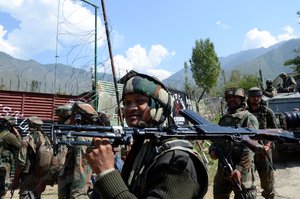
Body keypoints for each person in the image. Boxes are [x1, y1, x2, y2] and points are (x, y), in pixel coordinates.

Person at [86, 71, 208, 199]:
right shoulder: (145, 145)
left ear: (159, 106)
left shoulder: (177, 160)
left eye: (139, 101)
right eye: (127, 102)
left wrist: (106, 173)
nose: (131, 107)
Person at [209, 87, 259, 199]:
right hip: (223, 168)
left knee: (245, 196)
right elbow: (217, 139)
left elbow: (250, 147)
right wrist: (212, 149)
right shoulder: (223, 119)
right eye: (229, 98)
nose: (231, 100)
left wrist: (240, 168)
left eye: (235, 97)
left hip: (241, 170)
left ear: (241, 99)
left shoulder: (248, 118)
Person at [57, 101, 99, 199]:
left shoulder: (82, 138)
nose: (70, 118)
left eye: (72, 115)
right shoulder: (89, 134)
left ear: (77, 118)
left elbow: (81, 171)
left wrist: (77, 195)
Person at [12, 116, 53, 199]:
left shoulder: (27, 139)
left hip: (29, 175)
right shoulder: (47, 139)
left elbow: (21, 163)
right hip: (41, 175)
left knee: (26, 195)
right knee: (36, 195)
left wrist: (15, 179)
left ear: (29, 125)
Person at [247, 87, 277, 199]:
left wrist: (268, 145)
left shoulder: (267, 112)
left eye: (257, 96)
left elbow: (275, 132)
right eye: (252, 96)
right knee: (247, 180)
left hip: (264, 150)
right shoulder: (244, 112)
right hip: (248, 150)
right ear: (248, 98)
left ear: (260, 97)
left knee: (268, 181)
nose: (255, 99)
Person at [0, 116, 22, 198]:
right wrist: (17, 134)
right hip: (4, 164)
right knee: (3, 186)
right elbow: (21, 146)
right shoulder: (8, 136)